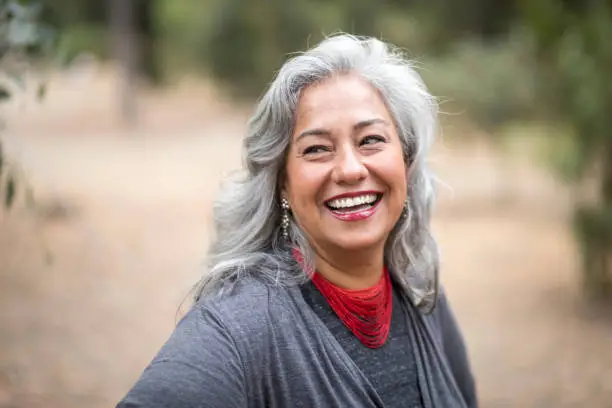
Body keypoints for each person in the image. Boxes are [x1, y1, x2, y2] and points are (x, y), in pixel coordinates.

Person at [117, 34, 478, 408]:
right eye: (317, 149)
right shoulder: (242, 324)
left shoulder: (420, 290)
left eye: (371, 139)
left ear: (406, 161)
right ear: (282, 185)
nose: (351, 169)